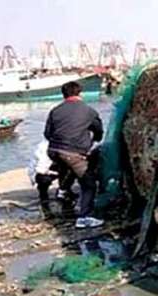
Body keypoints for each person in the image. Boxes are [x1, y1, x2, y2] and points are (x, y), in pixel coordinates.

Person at [44, 81, 104, 229]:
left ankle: (63, 191)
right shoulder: (88, 111)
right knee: (88, 183)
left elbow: (47, 133)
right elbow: (98, 131)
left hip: (53, 151)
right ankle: (85, 217)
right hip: (72, 153)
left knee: (66, 166)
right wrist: (92, 141)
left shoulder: (55, 110)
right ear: (80, 94)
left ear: (63, 95)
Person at [27, 140, 77, 217]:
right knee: (44, 180)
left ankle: (64, 190)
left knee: (70, 169)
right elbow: (40, 170)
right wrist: (58, 173)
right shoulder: (44, 148)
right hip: (41, 172)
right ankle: (43, 197)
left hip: (54, 166)